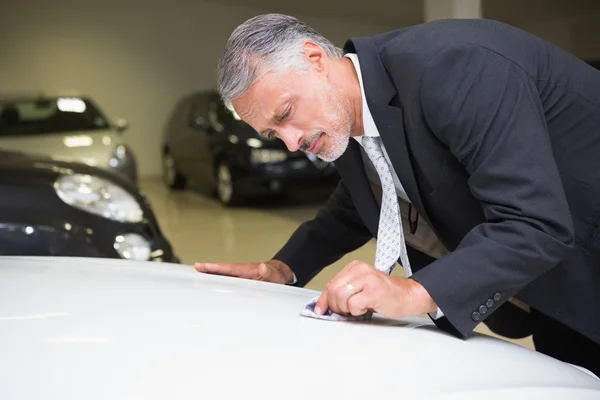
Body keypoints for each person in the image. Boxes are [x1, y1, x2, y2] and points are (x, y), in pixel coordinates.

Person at [194, 13, 600, 375]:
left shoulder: (455, 66)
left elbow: (536, 222)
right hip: (560, 292)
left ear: (315, 58)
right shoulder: (348, 118)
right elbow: (362, 201)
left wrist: (411, 293)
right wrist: (283, 268)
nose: (290, 142)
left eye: (284, 114)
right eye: (271, 133)